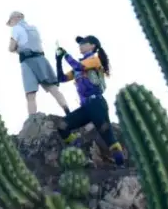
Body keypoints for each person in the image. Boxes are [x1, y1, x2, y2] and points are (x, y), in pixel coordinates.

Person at [54, 35, 125, 166]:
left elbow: (80, 67)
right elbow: (62, 78)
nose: (80, 45)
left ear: (92, 46)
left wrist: (66, 55)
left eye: (83, 43)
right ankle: (81, 151)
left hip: (96, 103)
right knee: (62, 126)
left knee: (106, 134)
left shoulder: (94, 60)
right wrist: (58, 60)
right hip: (86, 106)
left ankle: (121, 164)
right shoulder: (79, 65)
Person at [6, 11, 70, 116]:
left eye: (11, 20)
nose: (11, 23)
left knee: (30, 93)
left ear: (16, 18)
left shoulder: (16, 29)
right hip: (40, 58)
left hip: (27, 61)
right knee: (52, 87)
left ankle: (32, 118)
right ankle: (67, 110)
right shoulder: (34, 28)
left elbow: (11, 47)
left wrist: (15, 49)